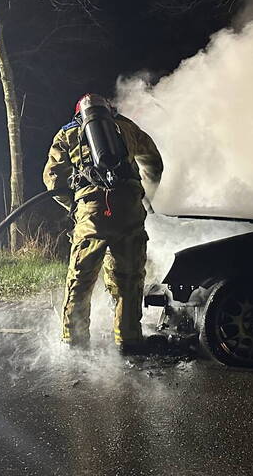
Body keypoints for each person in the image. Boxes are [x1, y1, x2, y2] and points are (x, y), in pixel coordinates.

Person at [43, 94, 163, 352]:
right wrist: (143, 196)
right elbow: (154, 163)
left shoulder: (68, 133)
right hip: (129, 209)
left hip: (91, 213)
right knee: (129, 279)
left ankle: (74, 342)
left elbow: (53, 179)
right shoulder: (127, 127)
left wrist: (76, 205)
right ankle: (128, 340)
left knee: (81, 278)